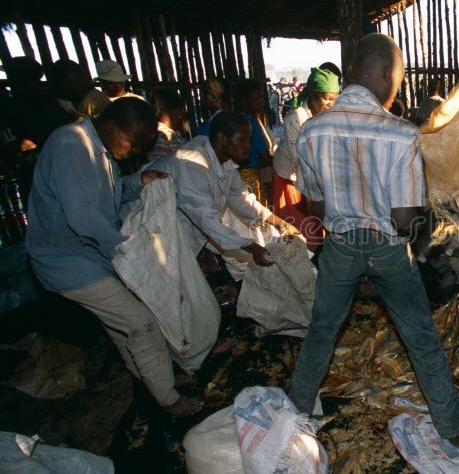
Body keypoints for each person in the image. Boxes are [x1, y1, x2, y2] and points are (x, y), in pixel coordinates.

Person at [288, 33, 459, 449]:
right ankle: (454, 427)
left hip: (339, 245)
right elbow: (403, 219)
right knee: (420, 336)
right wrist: (417, 226)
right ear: (386, 74)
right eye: (399, 79)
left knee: (321, 332)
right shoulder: (401, 134)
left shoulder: (312, 131)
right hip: (388, 248)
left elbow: (317, 205)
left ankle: (294, 416)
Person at [25, 98, 202, 416]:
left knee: (123, 328)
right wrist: (131, 252)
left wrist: (138, 182)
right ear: (110, 126)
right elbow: (84, 219)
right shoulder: (71, 145)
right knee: (140, 323)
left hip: (90, 255)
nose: (135, 151)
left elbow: (110, 194)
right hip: (67, 262)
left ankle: (154, 380)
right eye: (133, 143)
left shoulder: (101, 151)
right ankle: (167, 398)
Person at [150, 111, 299, 280]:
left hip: (177, 235)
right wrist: (251, 247)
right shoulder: (192, 163)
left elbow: (243, 199)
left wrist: (280, 222)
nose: (248, 146)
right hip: (153, 234)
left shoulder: (226, 162)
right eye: (242, 140)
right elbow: (207, 219)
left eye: (249, 140)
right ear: (221, 139)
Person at [272, 67, 339, 251]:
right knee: (299, 232)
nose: (331, 103)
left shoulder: (328, 116)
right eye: (327, 98)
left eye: (335, 98)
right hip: (290, 179)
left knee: (317, 229)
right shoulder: (296, 117)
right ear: (312, 94)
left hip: (313, 179)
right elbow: (298, 159)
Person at [5, 56, 72, 151]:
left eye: (13, 79)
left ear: (20, 81)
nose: (11, 84)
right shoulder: (53, 102)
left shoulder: (21, 106)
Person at [148, 90, 189, 161]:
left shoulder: (170, 135)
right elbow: (161, 165)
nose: (182, 115)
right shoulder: (161, 137)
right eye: (180, 110)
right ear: (175, 112)